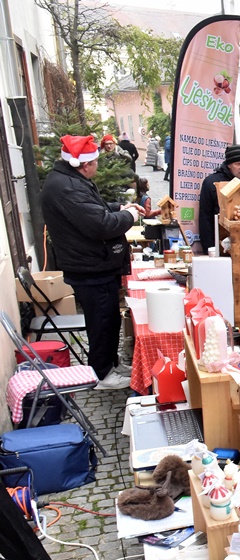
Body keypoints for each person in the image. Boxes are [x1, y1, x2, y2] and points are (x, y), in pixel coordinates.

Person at [40, 136, 143, 390]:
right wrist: (128, 215)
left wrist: (119, 206)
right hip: (90, 266)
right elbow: (101, 224)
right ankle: (101, 374)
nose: (98, 165)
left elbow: (95, 208)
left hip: (94, 264)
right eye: (96, 161)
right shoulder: (68, 188)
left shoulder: (71, 180)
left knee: (109, 318)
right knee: (101, 321)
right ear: (85, 165)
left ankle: (110, 363)